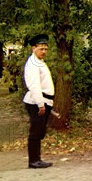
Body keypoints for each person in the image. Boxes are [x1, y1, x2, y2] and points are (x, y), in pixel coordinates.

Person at [23, 34, 55, 169]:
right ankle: (34, 161)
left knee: (40, 131)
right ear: (33, 48)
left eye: (46, 49)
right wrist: (40, 104)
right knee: (36, 131)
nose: (44, 51)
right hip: (36, 102)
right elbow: (34, 85)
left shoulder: (39, 62)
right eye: (41, 48)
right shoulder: (32, 64)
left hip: (44, 101)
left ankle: (37, 158)